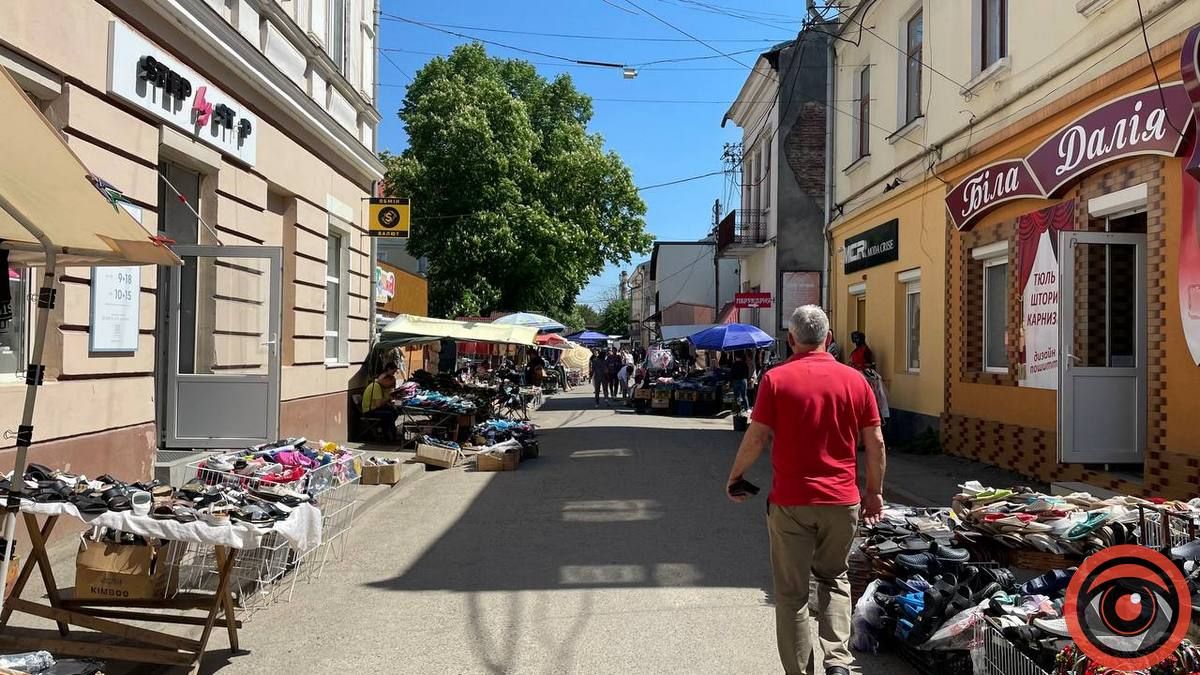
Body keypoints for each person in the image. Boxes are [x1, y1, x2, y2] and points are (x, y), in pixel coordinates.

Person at [725, 305, 886, 675]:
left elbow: (757, 437)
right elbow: (875, 441)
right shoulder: (855, 380)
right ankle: (839, 663)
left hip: (791, 503)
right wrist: (874, 492)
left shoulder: (776, 380)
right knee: (834, 578)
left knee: (792, 594)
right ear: (829, 339)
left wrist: (735, 476)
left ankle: (800, 672)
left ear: (791, 339)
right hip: (842, 500)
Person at [361, 363, 401, 441]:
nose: (390, 386)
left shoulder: (379, 386)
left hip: (374, 408)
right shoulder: (376, 387)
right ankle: (390, 434)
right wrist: (388, 397)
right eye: (390, 383)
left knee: (394, 410)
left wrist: (391, 401)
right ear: (385, 380)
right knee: (388, 415)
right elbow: (378, 404)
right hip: (369, 411)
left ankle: (387, 430)